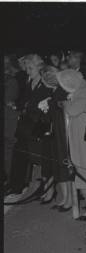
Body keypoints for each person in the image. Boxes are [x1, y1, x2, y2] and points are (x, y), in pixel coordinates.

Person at [56, 69, 86, 220]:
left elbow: (72, 110)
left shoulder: (84, 91)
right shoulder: (80, 89)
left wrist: (66, 102)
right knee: (81, 171)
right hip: (79, 139)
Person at [7, 54, 52, 196]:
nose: (27, 71)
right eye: (26, 68)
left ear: (40, 67)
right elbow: (25, 101)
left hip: (37, 126)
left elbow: (45, 105)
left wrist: (28, 106)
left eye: (30, 68)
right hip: (26, 125)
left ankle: (44, 188)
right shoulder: (29, 81)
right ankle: (15, 184)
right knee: (19, 153)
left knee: (37, 157)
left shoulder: (46, 83)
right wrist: (18, 105)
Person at [39, 66, 74, 211]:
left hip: (62, 131)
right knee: (59, 163)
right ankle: (65, 197)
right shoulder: (55, 91)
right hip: (57, 131)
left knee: (64, 163)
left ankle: (69, 199)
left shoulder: (61, 90)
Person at [3, 55, 20, 184]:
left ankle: (7, 180)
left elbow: (9, 101)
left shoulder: (11, 81)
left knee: (7, 150)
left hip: (8, 122)